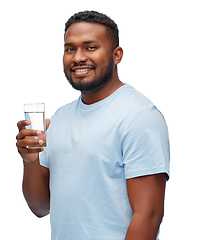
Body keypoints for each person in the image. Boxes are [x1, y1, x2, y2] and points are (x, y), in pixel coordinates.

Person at [16, 10, 170, 240]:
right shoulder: (59, 119)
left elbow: (149, 215)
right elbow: (40, 207)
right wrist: (30, 161)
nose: (78, 57)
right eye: (70, 48)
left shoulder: (139, 116)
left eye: (90, 47)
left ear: (117, 55)